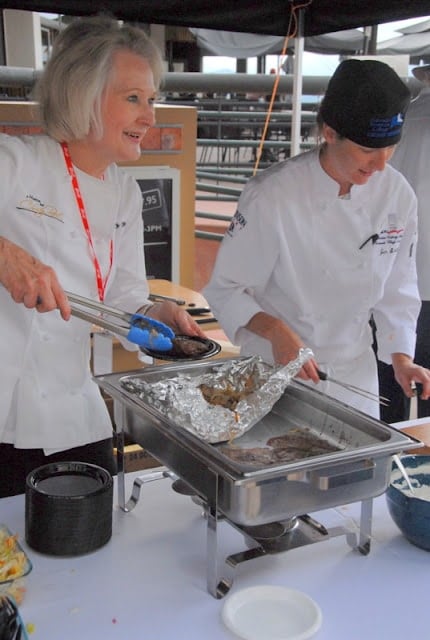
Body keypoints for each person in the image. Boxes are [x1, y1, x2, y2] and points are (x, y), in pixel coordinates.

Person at [0, 15, 205, 497]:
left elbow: (123, 299)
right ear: (81, 94)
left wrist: (155, 316)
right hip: (5, 412)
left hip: (76, 413)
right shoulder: (15, 162)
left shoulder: (125, 192)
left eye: (151, 100)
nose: (150, 116)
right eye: (133, 98)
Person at [204, 59, 430, 419]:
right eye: (368, 150)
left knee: (357, 474)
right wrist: (276, 331)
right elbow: (225, 290)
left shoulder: (397, 195)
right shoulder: (273, 194)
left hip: (355, 376)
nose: (381, 164)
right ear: (329, 132)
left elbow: (398, 287)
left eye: (390, 148)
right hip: (276, 372)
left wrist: (401, 358)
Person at [376, 64, 430, 422]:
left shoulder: (401, 121)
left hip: (388, 278)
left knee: (391, 390)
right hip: (405, 281)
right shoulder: (409, 122)